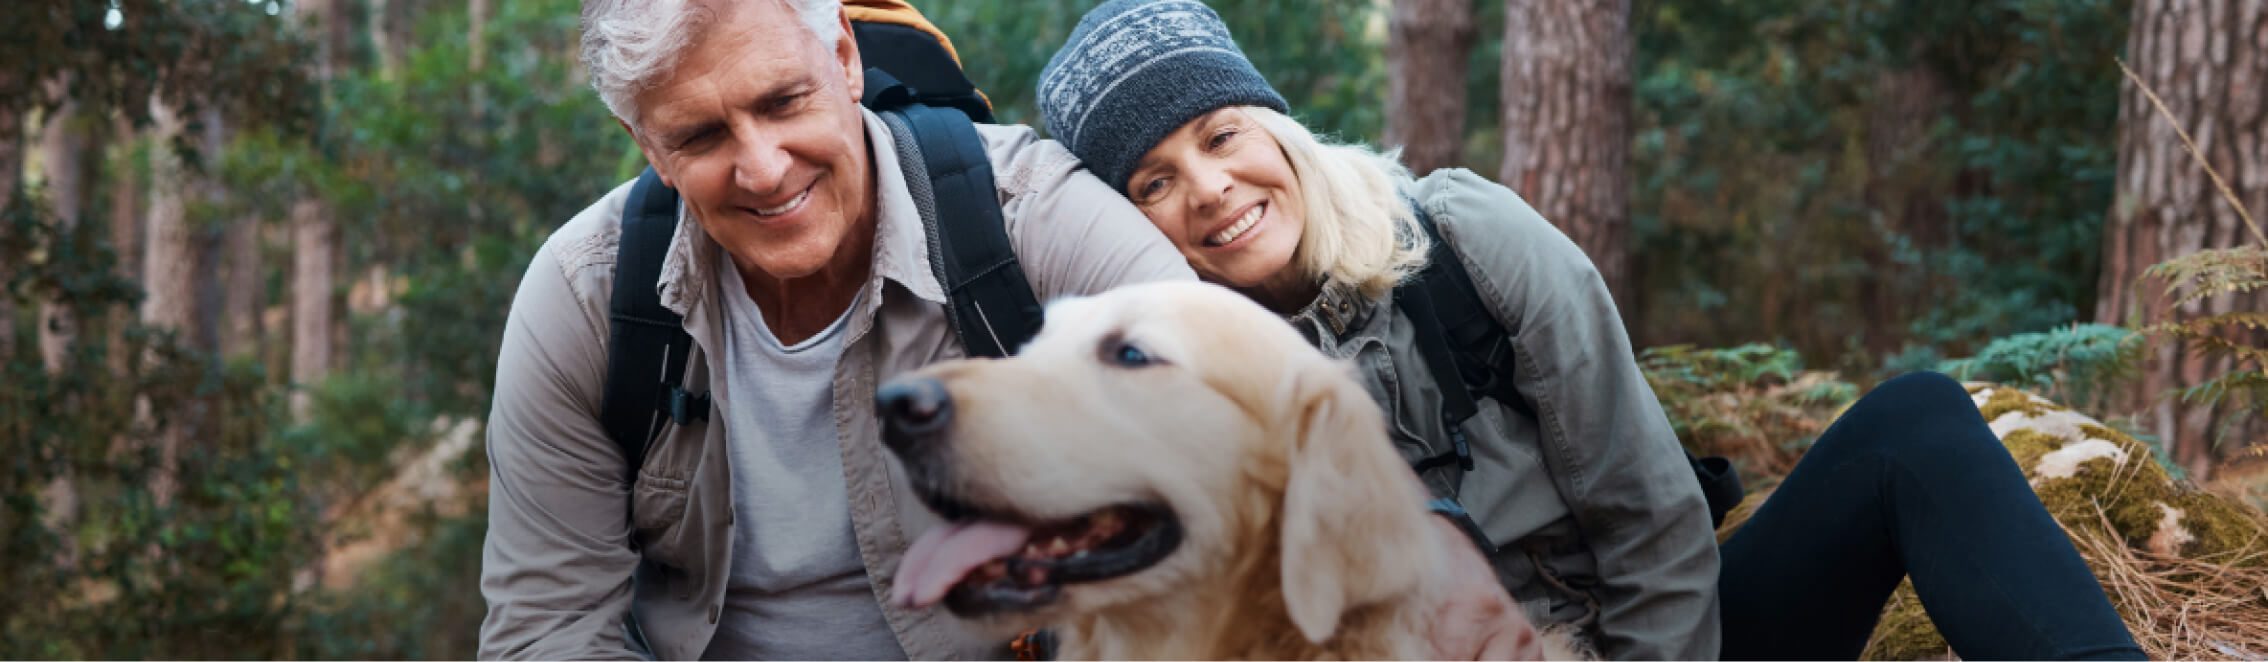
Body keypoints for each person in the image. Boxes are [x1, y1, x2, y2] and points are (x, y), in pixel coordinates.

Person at [1036, 1, 2149, 659]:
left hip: (1668, 640)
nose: (1210, 188)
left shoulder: (1463, 236)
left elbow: (1648, 511)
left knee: (1917, 424)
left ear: (1275, 127)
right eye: (1153, 179)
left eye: (1221, 134)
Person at [476, 0, 1199, 659]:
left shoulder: (1032, 224)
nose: (763, 171)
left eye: (784, 102)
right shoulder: (589, 292)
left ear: (845, 59)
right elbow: (548, 628)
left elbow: (1256, 470)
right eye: (699, 136)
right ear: (648, 148)